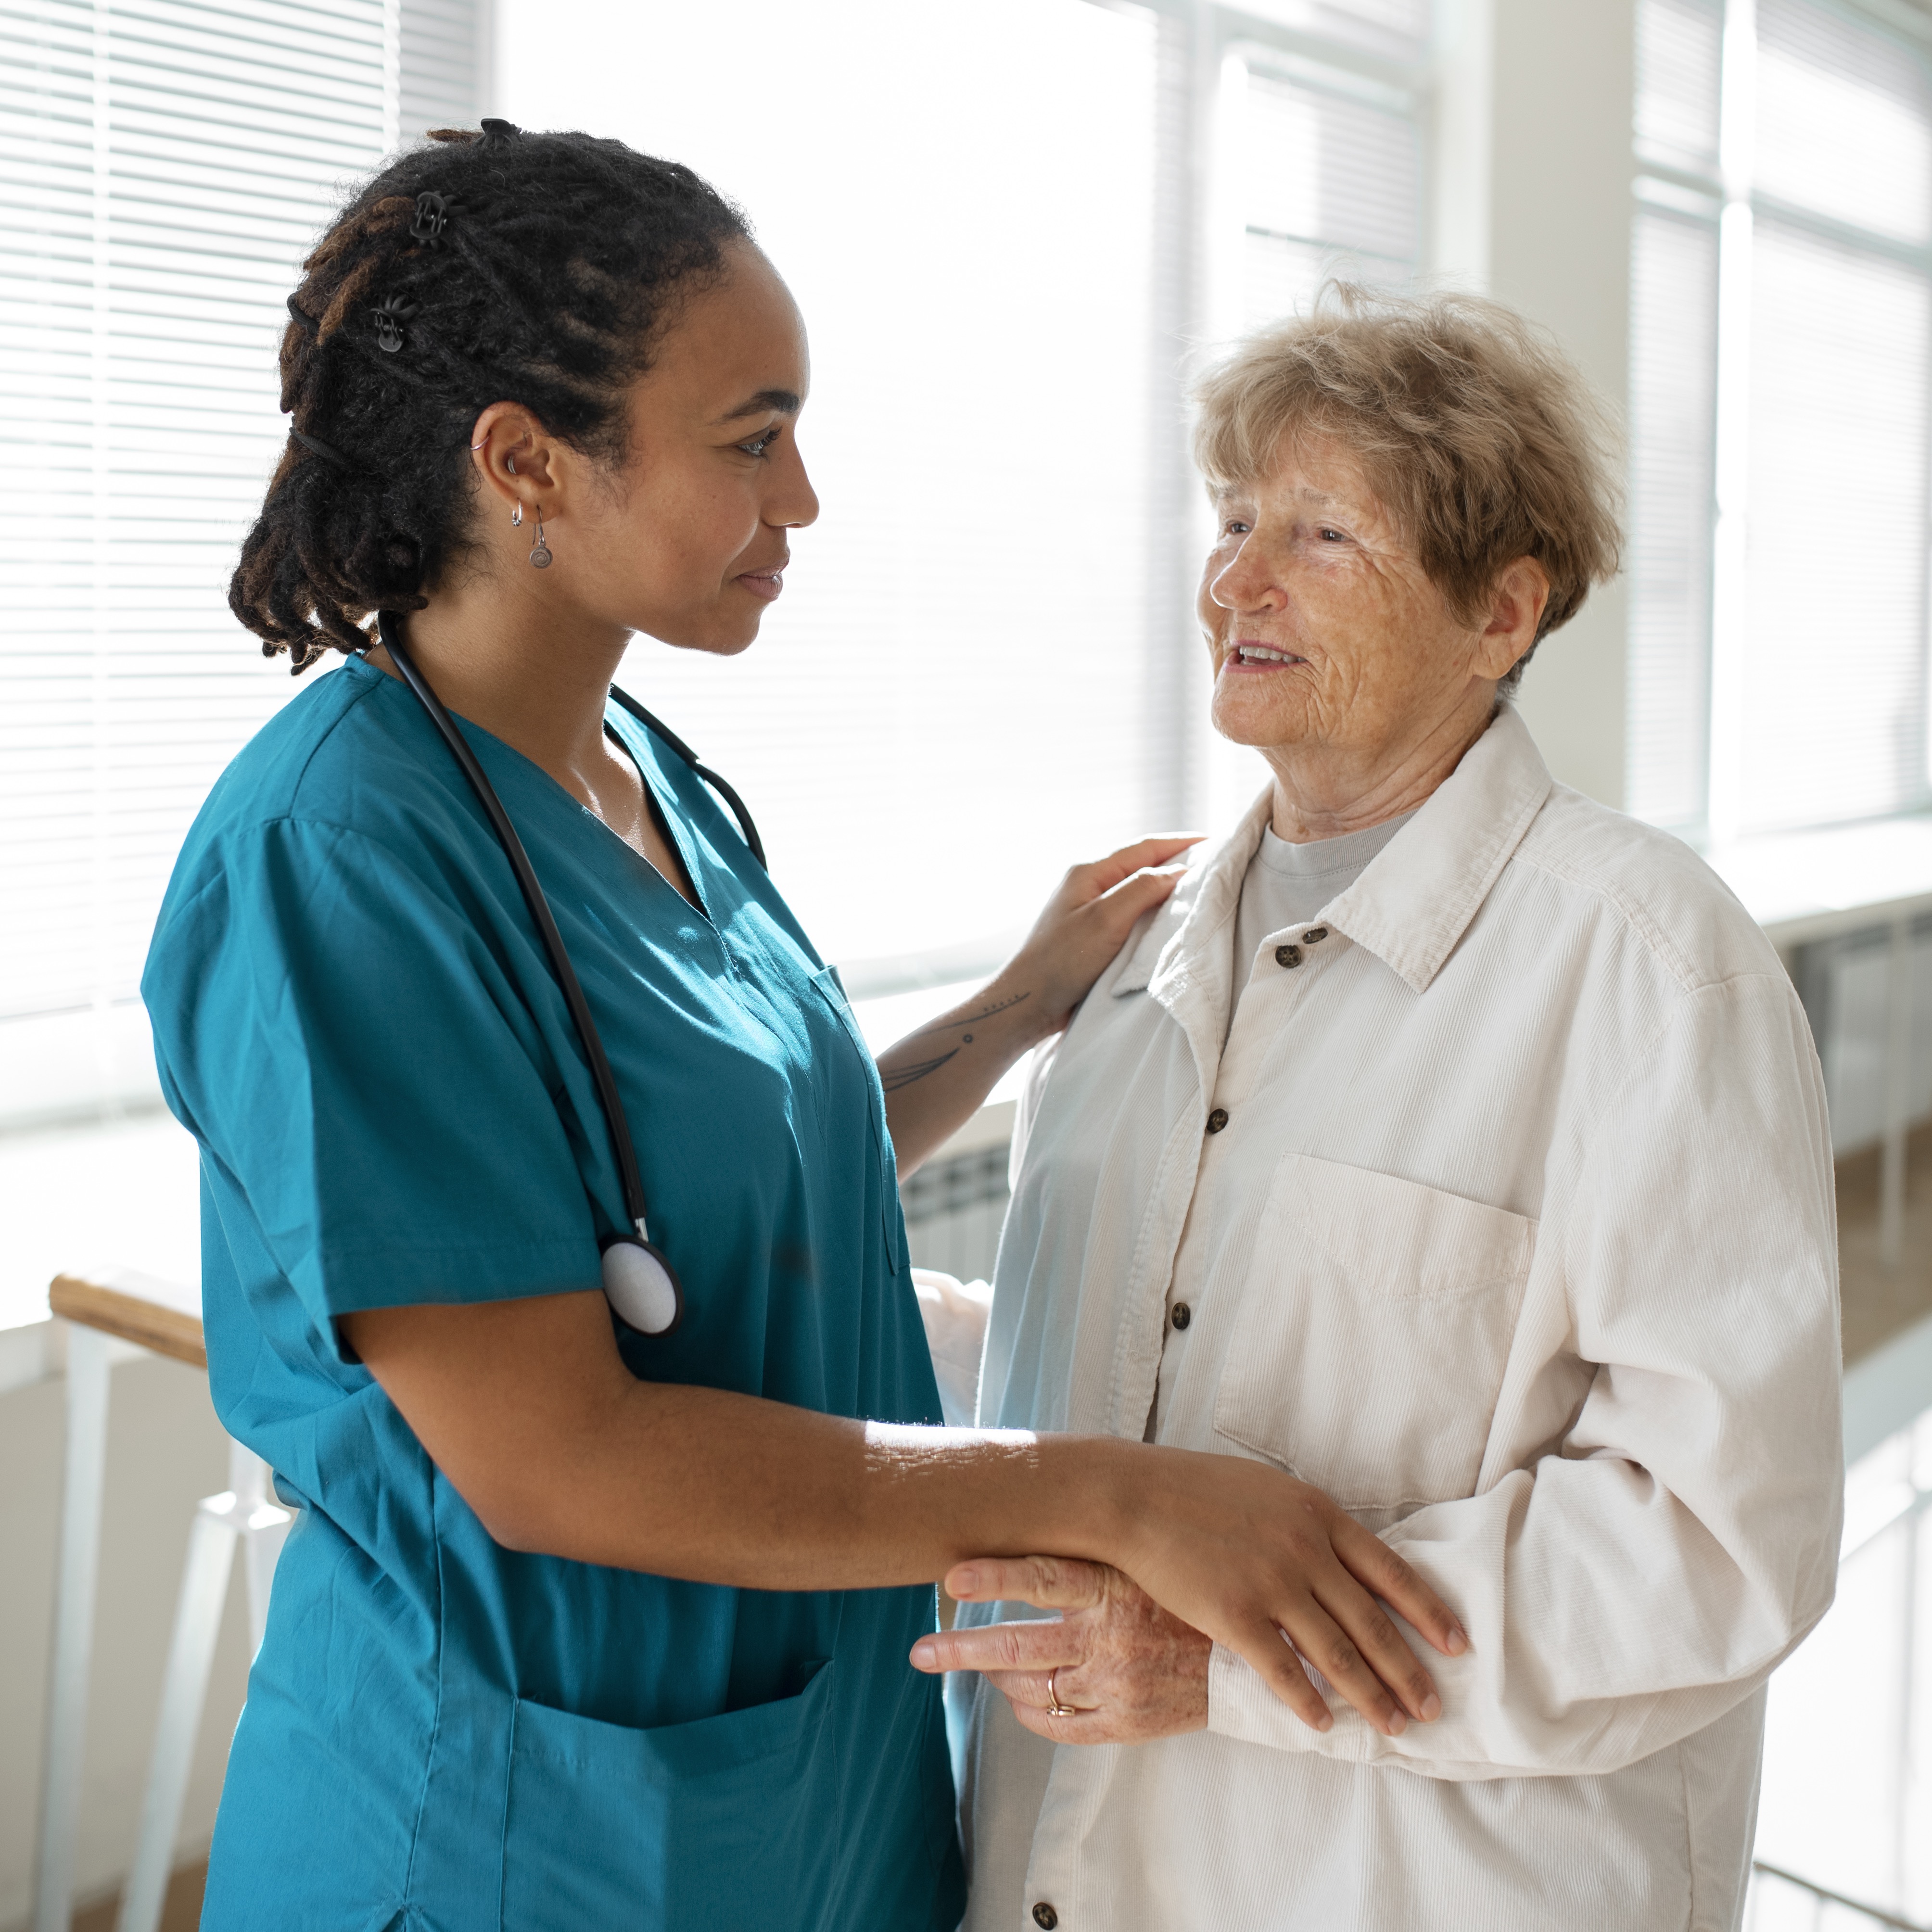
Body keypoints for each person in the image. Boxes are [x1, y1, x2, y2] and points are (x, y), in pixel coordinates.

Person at [140, 136, 1470, 1931]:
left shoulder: (647, 777)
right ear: (528, 461)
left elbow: (706, 1193)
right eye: (752, 439)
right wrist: (1124, 1499)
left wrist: (1009, 1012)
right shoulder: (341, 857)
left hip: (816, 1782)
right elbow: (558, 1456)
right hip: (518, 1831)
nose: (808, 498)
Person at [914, 287, 1845, 1932]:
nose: (1236, 580)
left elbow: (1713, 1539)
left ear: (1502, 611)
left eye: (1324, 533)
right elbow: (1111, 1364)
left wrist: (1229, 1666)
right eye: (1232, 519)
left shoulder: (1642, 962)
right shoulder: (1131, 964)